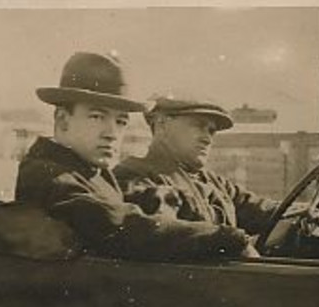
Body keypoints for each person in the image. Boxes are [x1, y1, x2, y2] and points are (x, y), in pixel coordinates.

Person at [11, 52, 253, 260]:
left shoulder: (89, 172)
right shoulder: (48, 176)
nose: (112, 133)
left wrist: (168, 195)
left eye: (121, 121)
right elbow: (119, 224)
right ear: (63, 120)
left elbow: (126, 201)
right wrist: (226, 238)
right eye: (97, 116)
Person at [115, 97, 280, 237]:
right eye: (199, 126)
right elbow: (166, 232)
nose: (207, 139)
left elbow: (261, 209)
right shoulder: (134, 175)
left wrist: (303, 212)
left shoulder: (212, 182)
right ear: (162, 125)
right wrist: (235, 240)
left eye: (211, 131)